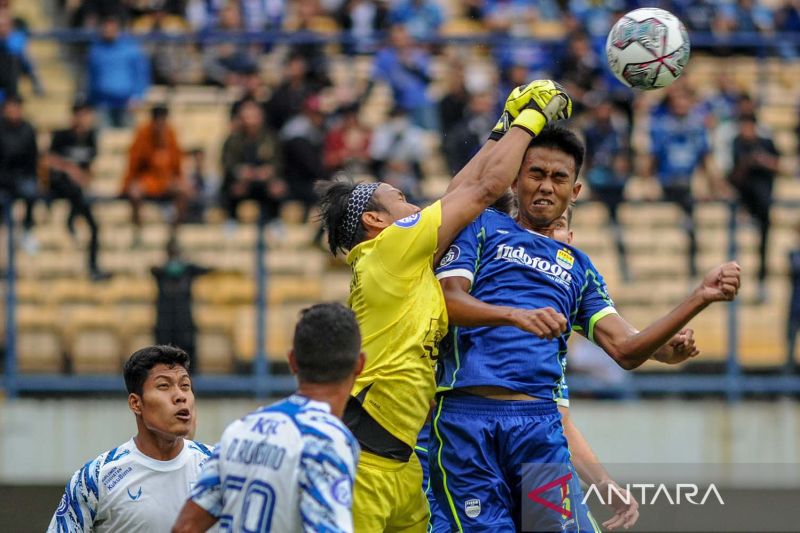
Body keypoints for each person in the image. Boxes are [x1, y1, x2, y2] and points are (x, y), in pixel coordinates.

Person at [429, 124, 741, 531]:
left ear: (574, 191)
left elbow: (626, 349)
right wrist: (514, 315)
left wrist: (699, 297)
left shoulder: (579, 269)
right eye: (535, 173)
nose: (545, 186)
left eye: (558, 178)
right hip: (465, 424)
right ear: (516, 179)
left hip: (539, 430)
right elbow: (447, 302)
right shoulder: (481, 228)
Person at [316, 80, 573, 532]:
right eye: (399, 198)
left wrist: (501, 128)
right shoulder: (391, 248)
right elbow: (486, 188)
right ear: (376, 220)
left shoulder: (400, 258)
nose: (414, 203)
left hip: (405, 460)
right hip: (367, 459)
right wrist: (532, 117)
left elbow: (463, 191)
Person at [171, 303, 365, 532]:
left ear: (292, 361)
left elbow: (185, 526)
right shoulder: (326, 440)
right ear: (360, 364)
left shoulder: (242, 429)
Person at [48, 345, 212, 532]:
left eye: (185, 386)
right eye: (164, 386)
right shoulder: (97, 478)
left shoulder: (219, 467)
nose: (180, 396)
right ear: (136, 403)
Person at [47, 101, 110, 281]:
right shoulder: (61, 135)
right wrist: (69, 169)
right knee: (74, 190)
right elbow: (48, 159)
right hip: (60, 185)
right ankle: (71, 219)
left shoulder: (91, 138)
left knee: (95, 227)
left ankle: (93, 267)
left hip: (78, 191)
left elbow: (90, 167)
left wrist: (84, 177)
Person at [728, 113, 779, 302]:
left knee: (764, 247)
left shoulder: (766, 143)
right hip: (744, 204)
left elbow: (780, 165)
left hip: (764, 204)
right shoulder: (737, 144)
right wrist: (746, 163)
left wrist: (763, 160)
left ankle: (761, 281)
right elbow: (734, 176)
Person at [122, 105, 190, 235]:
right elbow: (134, 163)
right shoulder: (143, 134)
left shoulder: (171, 134)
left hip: (166, 180)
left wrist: (178, 179)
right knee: (135, 192)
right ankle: (137, 228)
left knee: (184, 191)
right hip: (147, 179)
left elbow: (177, 163)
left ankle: (174, 232)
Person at [221, 99, 286, 224]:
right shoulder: (233, 139)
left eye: (254, 116)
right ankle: (231, 220)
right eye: (247, 117)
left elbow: (279, 162)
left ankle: (274, 220)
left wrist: (269, 171)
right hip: (242, 181)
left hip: (264, 181)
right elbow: (228, 163)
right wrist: (241, 172)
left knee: (277, 187)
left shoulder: (271, 137)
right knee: (234, 188)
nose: (251, 121)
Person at [152, 237, 211, 372]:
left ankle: (189, 379)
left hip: (183, 319)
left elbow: (208, 269)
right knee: (163, 353)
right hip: (165, 320)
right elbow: (152, 269)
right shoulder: (160, 271)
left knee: (186, 351)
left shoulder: (188, 269)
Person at [86, 16, 150, 128]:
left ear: (117, 29)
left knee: (128, 139)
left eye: (111, 27)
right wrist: (91, 100)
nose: (108, 30)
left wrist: (137, 96)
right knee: (104, 139)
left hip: (127, 103)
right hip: (103, 103)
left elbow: (141, 75)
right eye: (105, 27)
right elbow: (91, 77)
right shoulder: (95, 51)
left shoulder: (131, 49)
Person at [0, 94, 38, 253]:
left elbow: (33, 157)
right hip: (2, 178)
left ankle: (26, 231)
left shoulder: (28, 129)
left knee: (31, 191)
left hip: (22, 177)